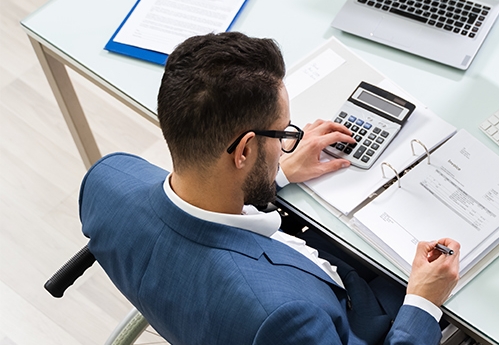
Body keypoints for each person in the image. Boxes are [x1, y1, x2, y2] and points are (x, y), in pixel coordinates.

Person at [80, 32, 461, 344]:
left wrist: (273, 175)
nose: (285, 145)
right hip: (361, 316)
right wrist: (423, 304)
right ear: (244, 150)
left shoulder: (108, 180)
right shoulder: (286, 320)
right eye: (281, 134)